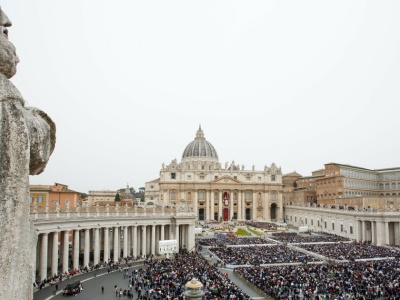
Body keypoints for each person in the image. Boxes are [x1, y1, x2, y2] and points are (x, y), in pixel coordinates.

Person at [0, 7, 56, 300]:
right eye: (5, 33)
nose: (17, 54)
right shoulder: (7, 98)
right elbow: (37, 150)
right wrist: (32, 114)